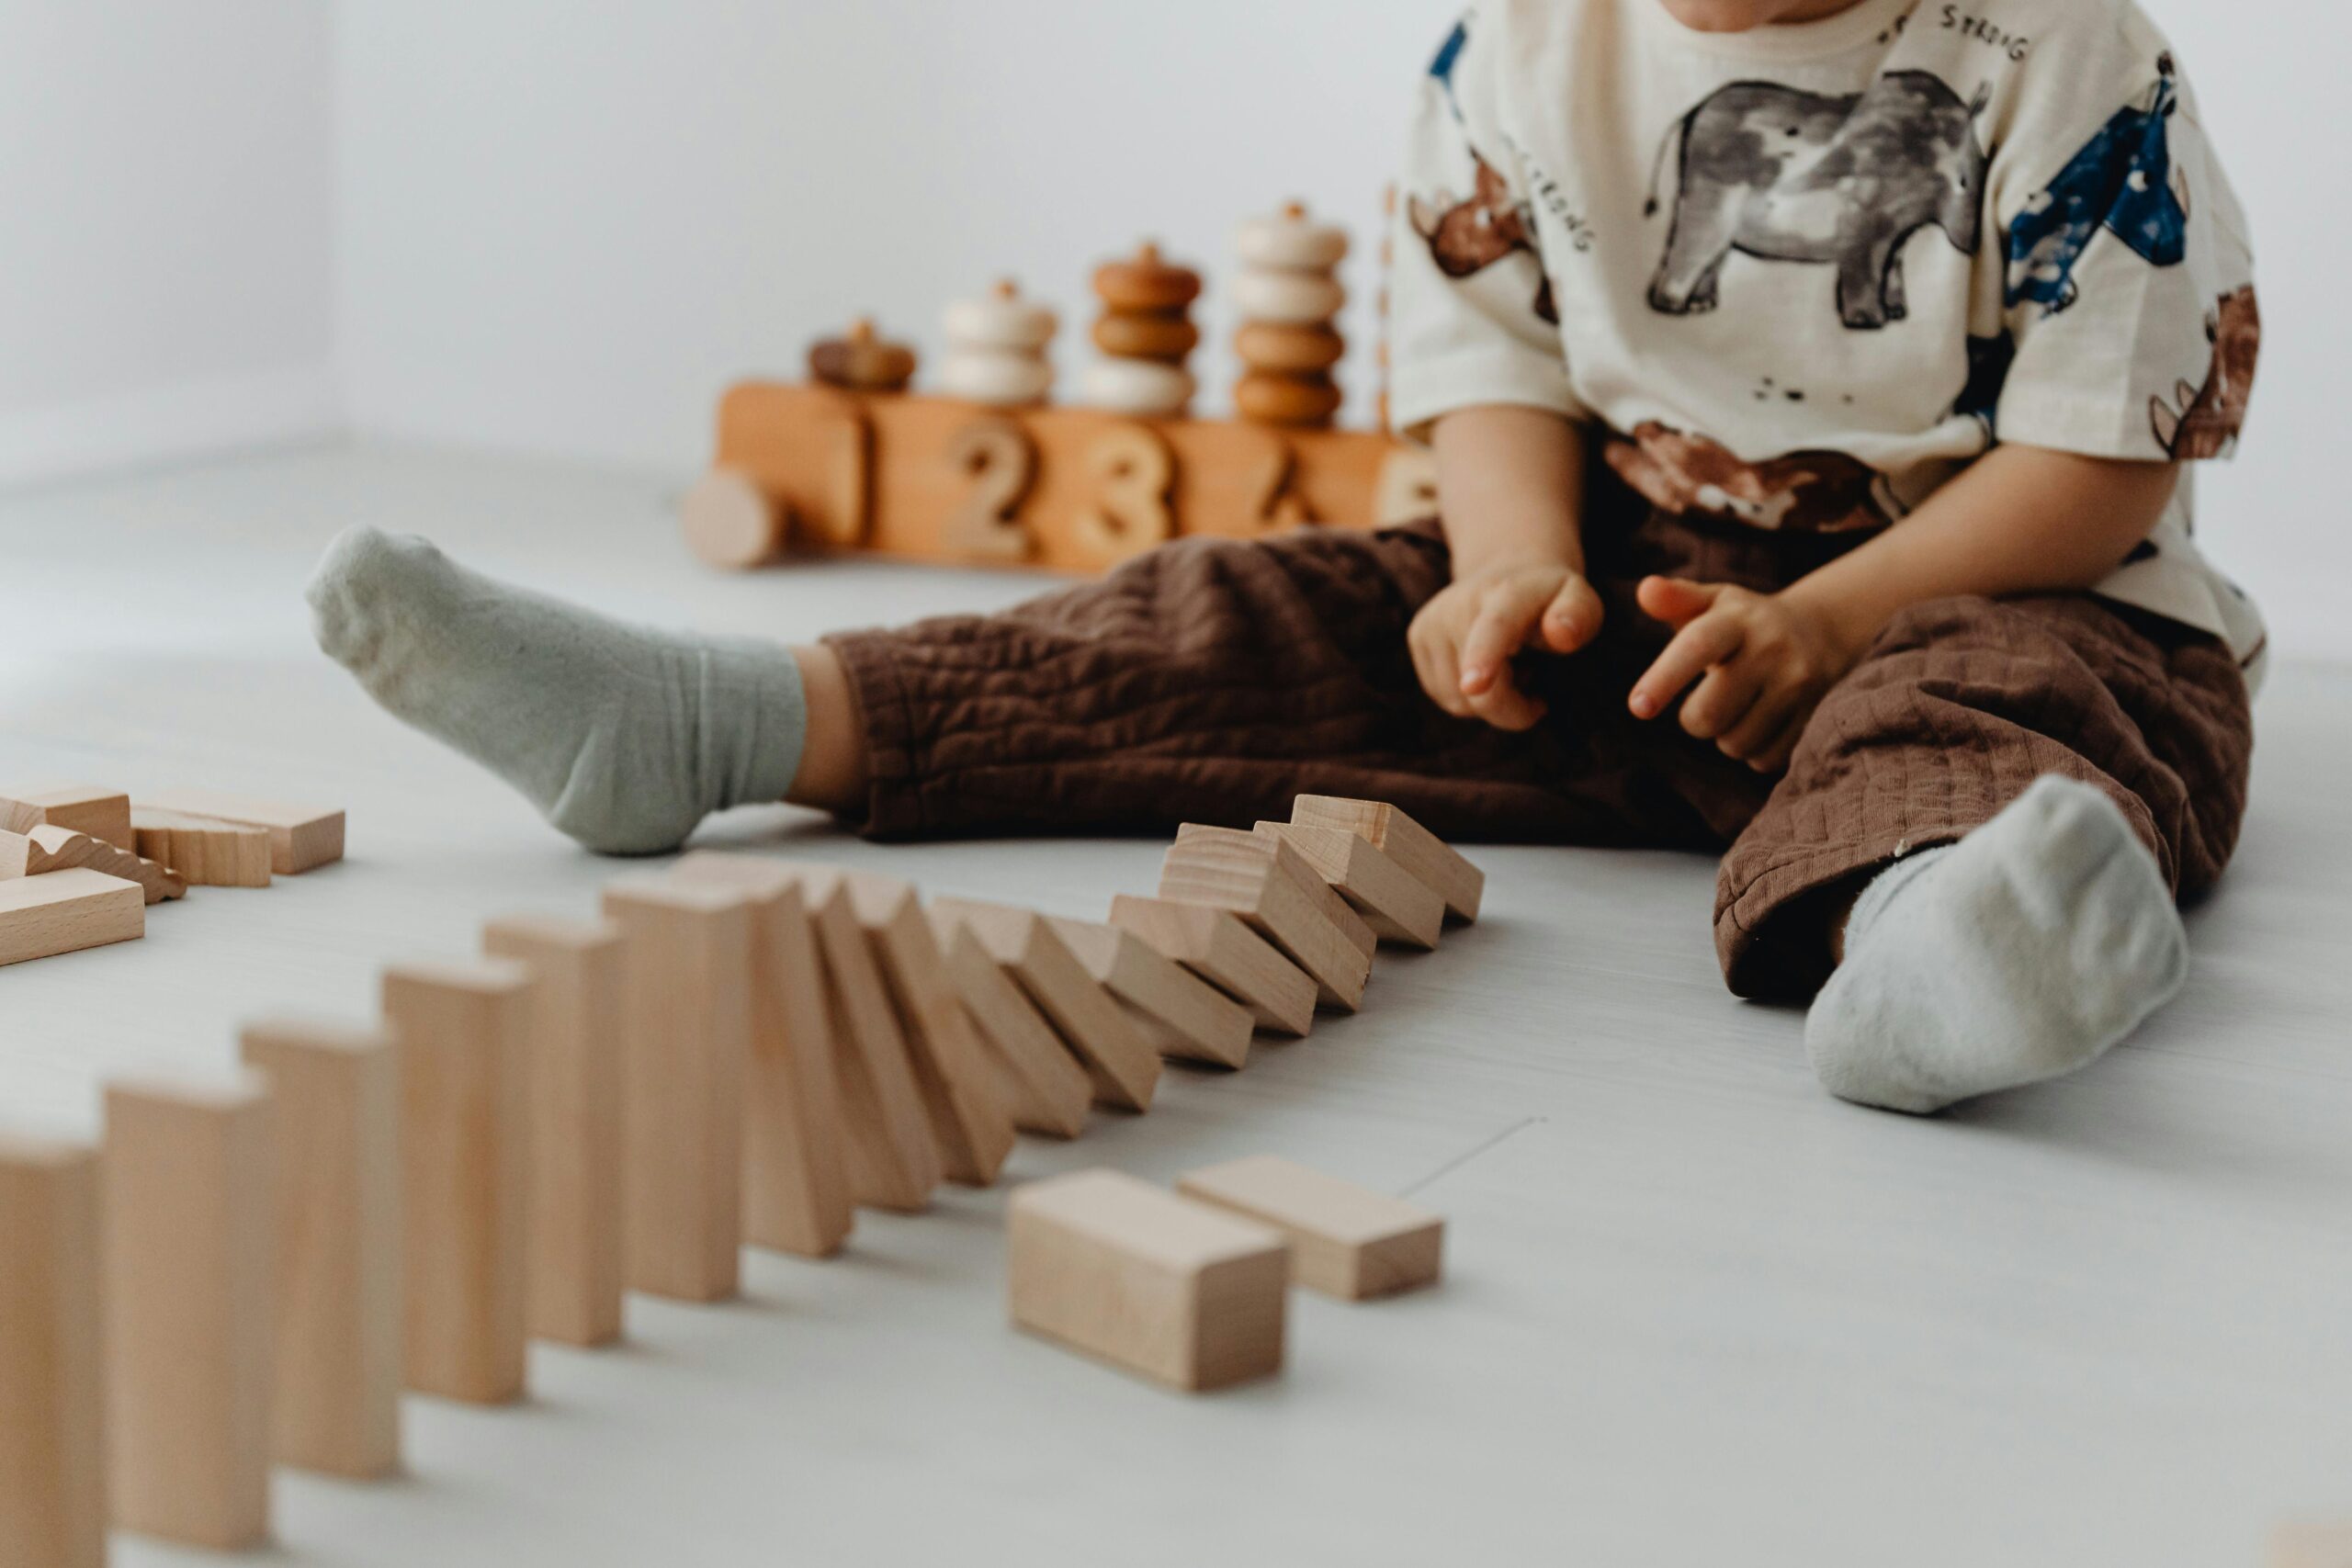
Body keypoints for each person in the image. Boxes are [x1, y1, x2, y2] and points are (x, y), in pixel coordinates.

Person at [307, 0, 2262, 1115]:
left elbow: (2093, 457)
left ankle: (1915, 933)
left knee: (2025, 704)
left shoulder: (2062, 59)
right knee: (1256, 608)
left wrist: (1827, 621)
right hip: (1636, 585)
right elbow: (1482, 351)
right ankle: (721, 717)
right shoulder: (1515, 51)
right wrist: (1501, 566)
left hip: (1984, 580)